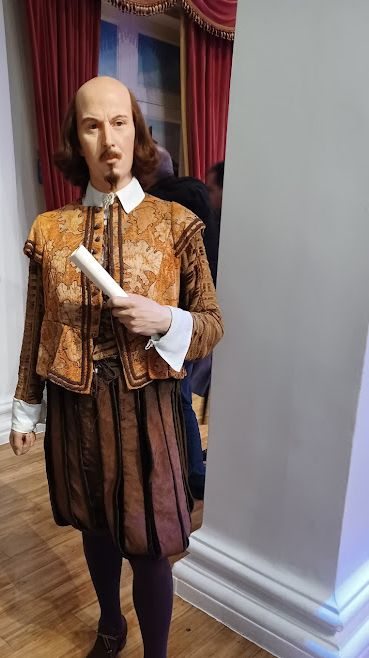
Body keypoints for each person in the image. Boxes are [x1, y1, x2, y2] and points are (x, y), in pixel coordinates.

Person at [9, 76, 222, 658]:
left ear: (138, 132)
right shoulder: (49, 232)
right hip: (75, 406)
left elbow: (212, 324)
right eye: (92, 126)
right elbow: (35, 326)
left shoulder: (176, 224)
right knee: (95, 528)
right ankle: (109, 627)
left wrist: (165, 319)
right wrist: (25, 406)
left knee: (151, 545)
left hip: (145, 408)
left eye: (121, 123)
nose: (109, 139)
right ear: (76, 140)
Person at [142, 146, 219, 499]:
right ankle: (189, 468)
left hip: (170, 316)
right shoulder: (199, 200)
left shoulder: (160, 208)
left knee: (178, 399)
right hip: (196, 314)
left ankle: (191, 473)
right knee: (181, 396)